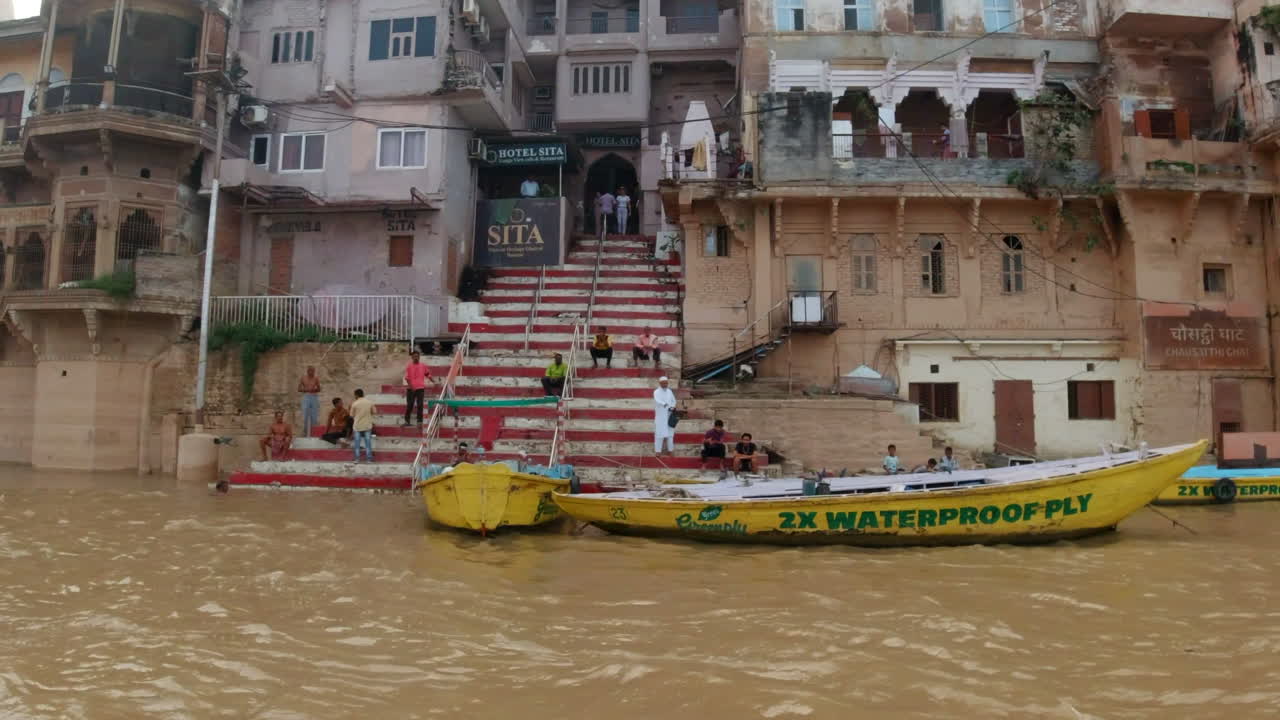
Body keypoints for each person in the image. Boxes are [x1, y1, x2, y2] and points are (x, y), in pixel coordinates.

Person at [403, 350, 439, 427]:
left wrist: (434, 382)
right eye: (414, 356)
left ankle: (419, 422)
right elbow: (407, 378)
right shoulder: (409, 366)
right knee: (410, 405)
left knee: (420, 405)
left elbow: (427, 374)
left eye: (417, 356)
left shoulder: (423, 365)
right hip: (411, 389)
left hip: (420, 388)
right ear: (412, 357)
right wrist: (411, 387)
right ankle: (407, 421)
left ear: (419, 357)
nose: (416, 358)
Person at [350, 389, 376, 463]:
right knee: (368, 443)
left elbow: (351, 415)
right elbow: (374, 412)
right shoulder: (369, 402)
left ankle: (357, 459)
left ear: (356, 395)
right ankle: (369, 459)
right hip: (367, 425)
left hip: (357, 425)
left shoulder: (355, 403)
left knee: (357, 443)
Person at [653, 376, 677, 455]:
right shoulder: (656, 392)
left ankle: (670, 450)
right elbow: (658, 401)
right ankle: (658, 451)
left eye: (666, 383)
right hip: (660, 416)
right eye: (663, 383)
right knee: (659, 434)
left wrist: (672, 407)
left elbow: (673, 400)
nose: (665, 384)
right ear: (660, 383)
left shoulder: (669, 391)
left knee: (670, 434)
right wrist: (667, 406)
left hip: (669, 415)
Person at [297, 366, 321, 437]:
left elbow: (319, 389)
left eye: (313, 371)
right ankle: (305, 432)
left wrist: (314, 390)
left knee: (314, 416)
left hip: (314, 396)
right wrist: (306, 390)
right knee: (305, 415)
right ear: (308, 371)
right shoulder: (303, 378)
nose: (312, 372)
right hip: (306, 396)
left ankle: (314, 433)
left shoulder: (316, 378)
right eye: (311, 371)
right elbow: (299, 389)